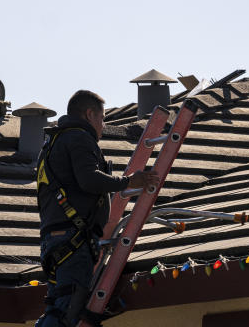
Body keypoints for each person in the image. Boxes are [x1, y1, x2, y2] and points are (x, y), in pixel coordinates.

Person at [35, 90, 158, 327]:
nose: (103, 126)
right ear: (89, 114)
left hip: (56, 240)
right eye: (102, 119)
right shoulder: (79, 138)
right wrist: (129, 182)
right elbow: (89, 180)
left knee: (59, 306)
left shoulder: (53, 143)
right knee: (68, 310)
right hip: (73, 239)